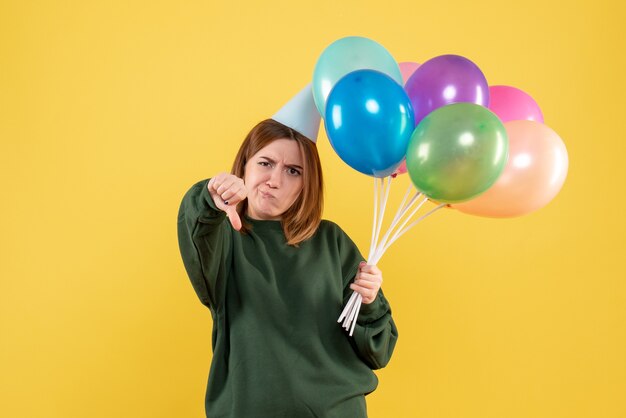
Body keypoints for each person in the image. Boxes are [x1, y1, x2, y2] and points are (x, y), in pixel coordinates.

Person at [177, 85, 398, 418]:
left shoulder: (331, 242)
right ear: (245, 166)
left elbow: (377, 352)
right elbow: (197, 229)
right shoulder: (222, 239)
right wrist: (211, 196)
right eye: (265, 163)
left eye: (293, 171)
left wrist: (368, 302)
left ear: (306, 184)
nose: (274, 180)